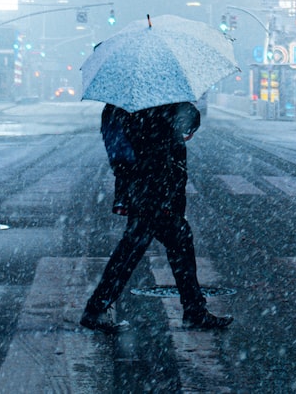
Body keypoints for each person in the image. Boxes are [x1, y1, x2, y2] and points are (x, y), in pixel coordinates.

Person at [81, 101, 232, 333]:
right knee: (136, 248)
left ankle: (194, 311)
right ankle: (96, 308)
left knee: (164, 244)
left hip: (149, 188)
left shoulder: (119, 108)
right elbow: (186, 121)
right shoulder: (155, 106)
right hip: (154, 190)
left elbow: (119, 154)